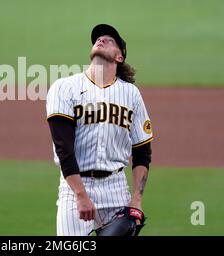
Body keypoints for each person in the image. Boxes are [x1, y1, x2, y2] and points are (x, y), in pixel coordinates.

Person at [46, 24, 153, 236]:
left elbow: (142, 150)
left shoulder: (131, 94)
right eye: (98, 39)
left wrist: (136, 200)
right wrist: (80, 195)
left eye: (109, 40)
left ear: (119, 57)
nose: (101, 40)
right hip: (75, 186)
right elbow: (63, 148)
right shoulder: (65, 87)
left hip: (116, 188)